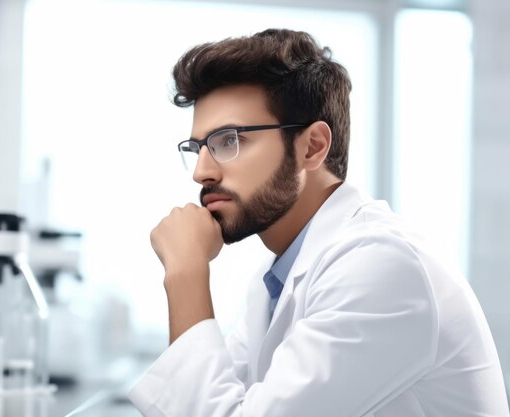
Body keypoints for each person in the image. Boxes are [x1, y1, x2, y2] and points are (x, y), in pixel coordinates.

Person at [128, 29, 509, 417]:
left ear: (312, 147)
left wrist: (185, 273)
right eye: (197, 148)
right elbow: (215, 401)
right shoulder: (276, 280)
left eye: (228, 140)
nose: (201, 172)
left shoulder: (382, 266)